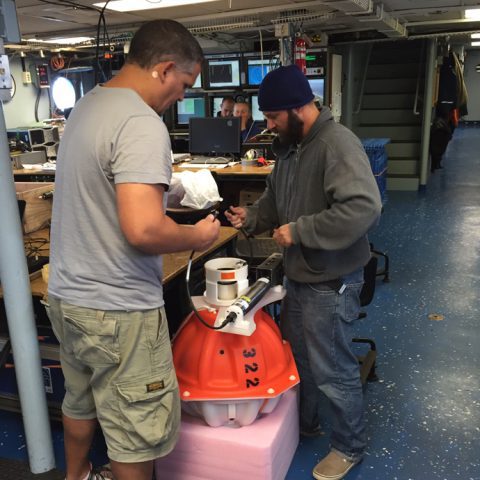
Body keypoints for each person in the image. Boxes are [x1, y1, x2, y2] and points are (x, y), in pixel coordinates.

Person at [46, 20, 220, 480]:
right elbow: (143, 230)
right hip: (118, 310)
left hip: (69, 298)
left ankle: (77, 476)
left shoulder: (87, 106)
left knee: (79, 399)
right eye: (184, 84)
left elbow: (102, 192)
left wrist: (166, 194)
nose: (182, 96)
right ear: (164, 69)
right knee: (134, 431)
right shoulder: (143, 124)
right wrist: (199, 238)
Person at [225, 65, 382, 480]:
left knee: (333, 367)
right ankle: (305, 422)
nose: (269, 125)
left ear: (298, 108)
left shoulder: (336, 145)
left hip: (331, 279)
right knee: (301, 361)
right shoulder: (292, 148)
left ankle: (349, 446)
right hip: (301, 276)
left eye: (274, 117)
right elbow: (276, 199)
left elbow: (363, 208)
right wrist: (252, 217)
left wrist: (301, 230)